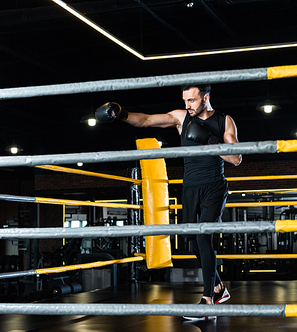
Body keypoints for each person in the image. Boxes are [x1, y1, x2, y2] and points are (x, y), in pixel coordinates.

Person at [95, 84, 241, 315]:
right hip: (189, 188)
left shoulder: (225, 121)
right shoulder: (181, 117)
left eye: (192, 100)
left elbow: (235, 158)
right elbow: (145, 121)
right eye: (185, 100)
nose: (187, 105)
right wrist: (122, 114)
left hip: (214, 186)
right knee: (194, 242)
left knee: (203, 238)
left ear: (206, 98)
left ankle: (208, 301)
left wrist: (210, 142)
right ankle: (218, 287)